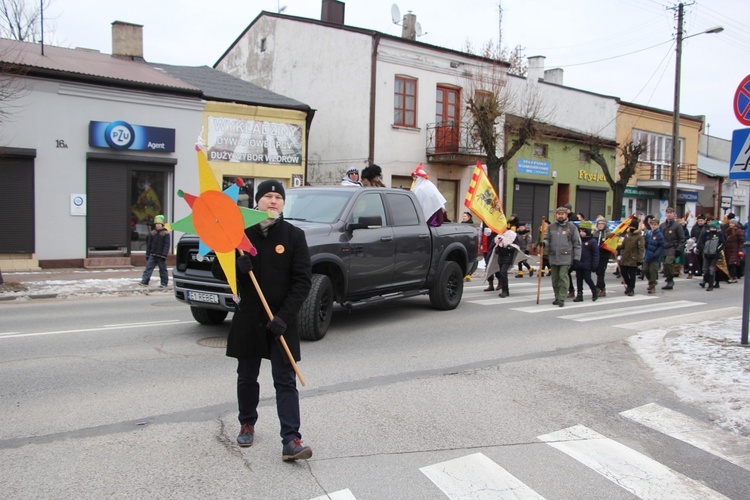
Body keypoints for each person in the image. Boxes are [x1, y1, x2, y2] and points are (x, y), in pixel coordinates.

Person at [211, 179, 314, 461]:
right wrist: (237, 267)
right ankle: (247, 422)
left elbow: (303, 281)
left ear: (283, 203)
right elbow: (218, 272)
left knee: (285, 379)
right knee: (247, 376)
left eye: (277, 197)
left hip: (280, 321)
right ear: (257, 201)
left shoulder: (293, 235)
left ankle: (291, 438)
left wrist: (284, 317)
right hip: (249, 318)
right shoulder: (239, 234)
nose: (272, 201)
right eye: (267, 196)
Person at [543, 206, 581, 307]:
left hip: (566, 257)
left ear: (566, 215)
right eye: (559, 214)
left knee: (563, 277)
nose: (560, 216)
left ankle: (562, 298)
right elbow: (547, 238)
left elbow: (577, 244)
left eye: (562, 214)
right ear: (556, 215)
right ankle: (557, 296)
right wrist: (544, 243)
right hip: (553, 256)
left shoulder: (572, 228)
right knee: (555, 278)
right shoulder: (551, 227)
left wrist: (577, 258)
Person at [139, 214, 170, 288]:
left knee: (163, 270)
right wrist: (147, 253)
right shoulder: (152, 233)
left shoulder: (165, 233)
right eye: (157, 224)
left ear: (162, 224)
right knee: (148, 268)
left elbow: (166, 245)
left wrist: (164, 254)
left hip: (161, 255)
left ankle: (164, 283)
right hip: (152, 254)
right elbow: (149, 244)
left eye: (159, 224)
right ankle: (144, 281)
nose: (158, 225)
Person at [659, 207, 685, 290]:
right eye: (667, 213)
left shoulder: (677, 225)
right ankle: (668, 278)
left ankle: (670, 280)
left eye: (671, 213)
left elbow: (682, 238)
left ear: (673, 214)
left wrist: (679, 249)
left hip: (673, 247)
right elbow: (660, 237)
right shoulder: (662, 225)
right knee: (665, 265)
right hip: (664, 247)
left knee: (668, 263)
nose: (669, 214)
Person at [572, 220, 599, 302]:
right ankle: (579, 294)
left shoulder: (592, 241)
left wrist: (594, 265)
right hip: (578, 263)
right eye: (580, 231)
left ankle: (594, 290)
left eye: (583, 231)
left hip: (587, 264)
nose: (581, 233)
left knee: (587, 278)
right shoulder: (578, 241)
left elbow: (596, 254)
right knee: (578, 279)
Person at [618, 218, 644, 296]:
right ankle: (629, 286)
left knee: (632, 275)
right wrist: (615, 247)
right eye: (631, 227)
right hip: (625, 258)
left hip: (633, 258)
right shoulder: (627, 235)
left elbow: (641, 248)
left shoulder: (639, 237)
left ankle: (631, 288)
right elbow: (623, 245)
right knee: (623, 272)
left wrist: (639, 259)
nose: (632, 228)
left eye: (633, 227)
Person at [492, 229, 519, 298]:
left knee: (503, 272)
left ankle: (505, 291)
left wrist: (509, 248)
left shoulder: (512, 234)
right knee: (502, 273)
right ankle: (504, 290)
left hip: (508, 256)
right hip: (501, 256)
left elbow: (516, 245)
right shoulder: (499, 235)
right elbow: (495, 244)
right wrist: (497, 248)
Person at [699, 220, 725, 291]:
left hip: (714, 255)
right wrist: (703, 249)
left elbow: (722, 243)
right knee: (705, 269)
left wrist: (717, 250)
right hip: (707, 254)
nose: (712, 229)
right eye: (711, 227)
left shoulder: (719, 234)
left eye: (713, 227)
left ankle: (710, 285)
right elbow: (702, 241)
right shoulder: (707, 234)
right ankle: (705, 281)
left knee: (711, 270)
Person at [642, 217, 665, 294]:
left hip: (655, 256)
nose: (653, 226)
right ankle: (651, 281)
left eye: (655, 224)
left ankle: (652, 285)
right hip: (648, 255)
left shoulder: (659, 234)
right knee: (644, 269)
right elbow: (646, 243)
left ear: (658, 225)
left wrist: (656, 254)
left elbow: (661, 246)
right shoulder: (648, 233)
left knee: (652, 271)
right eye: (652, 224)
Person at [593, 216, 611, 296]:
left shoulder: (608, 233)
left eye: (602, 223)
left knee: (601, 271)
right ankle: (602, 287)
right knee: (597, 271)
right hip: (597, 255)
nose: (600, 225)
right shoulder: (595, 233)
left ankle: (598, 287)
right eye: (599, 224)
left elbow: (610, 244)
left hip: (604, 255)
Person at [724, 218, 745, 283]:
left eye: (732, 223)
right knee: (729, 264)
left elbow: (741, 241)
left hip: (735, 250)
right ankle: (733, 276)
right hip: (728, 250)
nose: (731, 224)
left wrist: (740, 250)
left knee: (732, 263)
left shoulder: (738, 231)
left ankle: (732, 277)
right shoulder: (728, 230)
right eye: (730, 223)